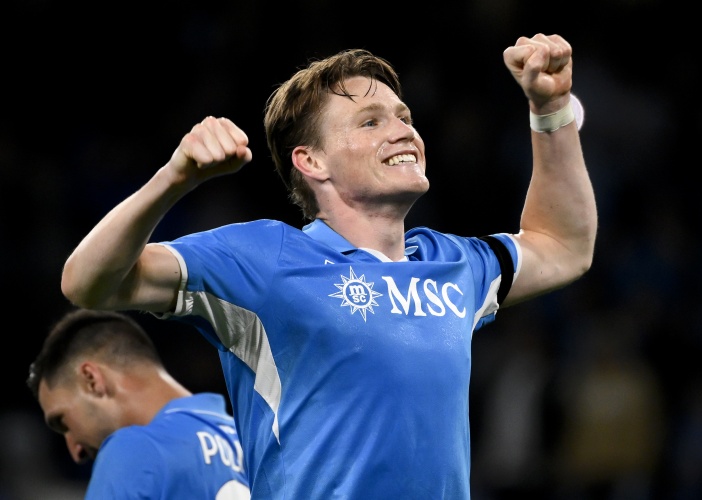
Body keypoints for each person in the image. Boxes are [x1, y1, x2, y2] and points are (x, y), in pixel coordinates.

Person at [60, 32, 597, 499]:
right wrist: (173, 179)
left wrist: (551, 109)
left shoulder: (452, 265)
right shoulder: (264, 259)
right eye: (370, 122)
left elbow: (563, 245)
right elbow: (89, 283)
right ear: (311, 161)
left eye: (404, 117)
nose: (403, 131)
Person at [27, 308, 251, 499]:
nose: (75, 452)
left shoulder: (131, 450)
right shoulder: (251, 445)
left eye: (62, 422)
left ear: (91, 380)